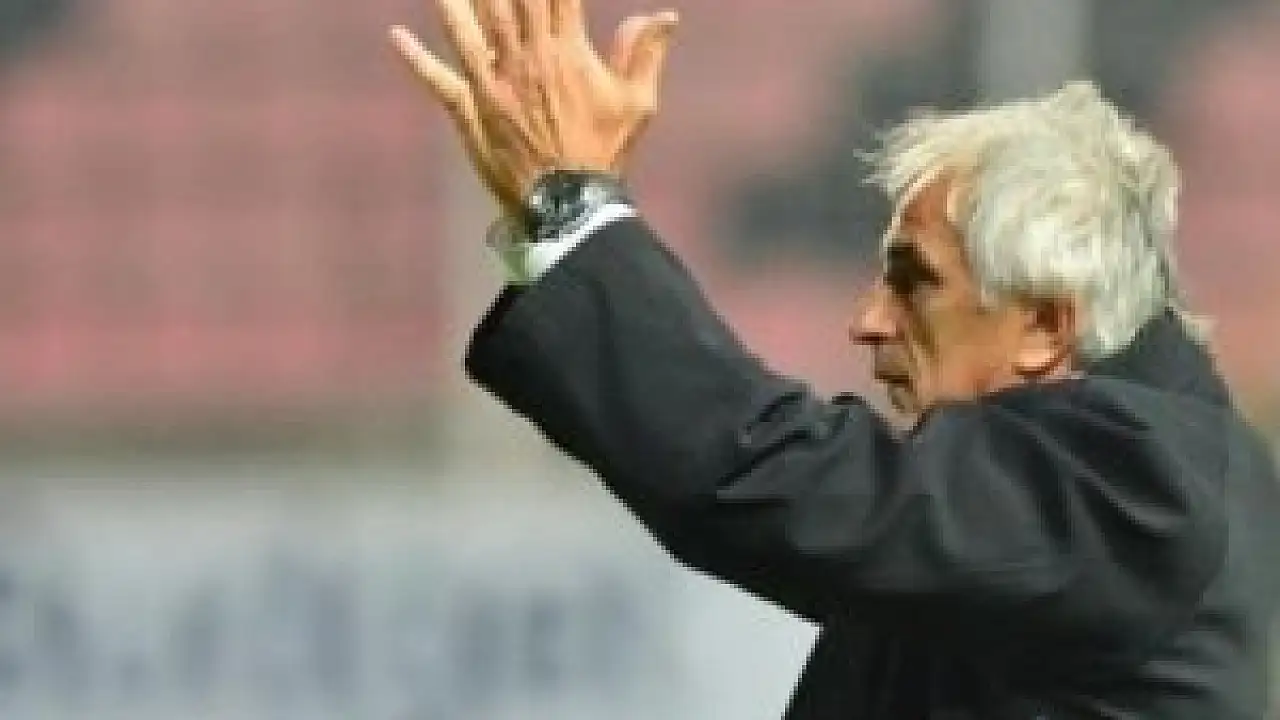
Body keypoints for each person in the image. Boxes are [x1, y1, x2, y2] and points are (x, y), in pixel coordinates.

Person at [388, 1, 1280, 717]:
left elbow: (776, 476)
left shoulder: (1140, 481)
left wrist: (573, 215)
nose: (868, 321)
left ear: (1045, 327)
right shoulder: (1064, 505)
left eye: (915, 281)